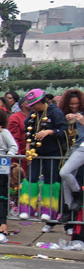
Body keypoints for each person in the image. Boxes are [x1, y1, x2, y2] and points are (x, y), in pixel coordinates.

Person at [19, 89, 67, 227]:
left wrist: (49, 131)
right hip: (36, 152)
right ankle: (26, 208)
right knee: (31, 178)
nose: (32, 108)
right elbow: (27, 130)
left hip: (52, 152)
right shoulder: (33, 115)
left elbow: (63, 131)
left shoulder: (55, 112)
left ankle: (49, 210)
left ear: (41, 102)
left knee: (50, 180)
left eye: (34, 105)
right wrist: (28, 149)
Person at [58, 90, 84, 221]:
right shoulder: (66, 114)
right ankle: (68, 209)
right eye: (72, 104)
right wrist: (67, 121)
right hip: (73, 147)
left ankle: (78, 193)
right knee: (65, 179)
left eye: (77, 104)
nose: (74, 106)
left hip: (82, 148)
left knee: (64, 172)